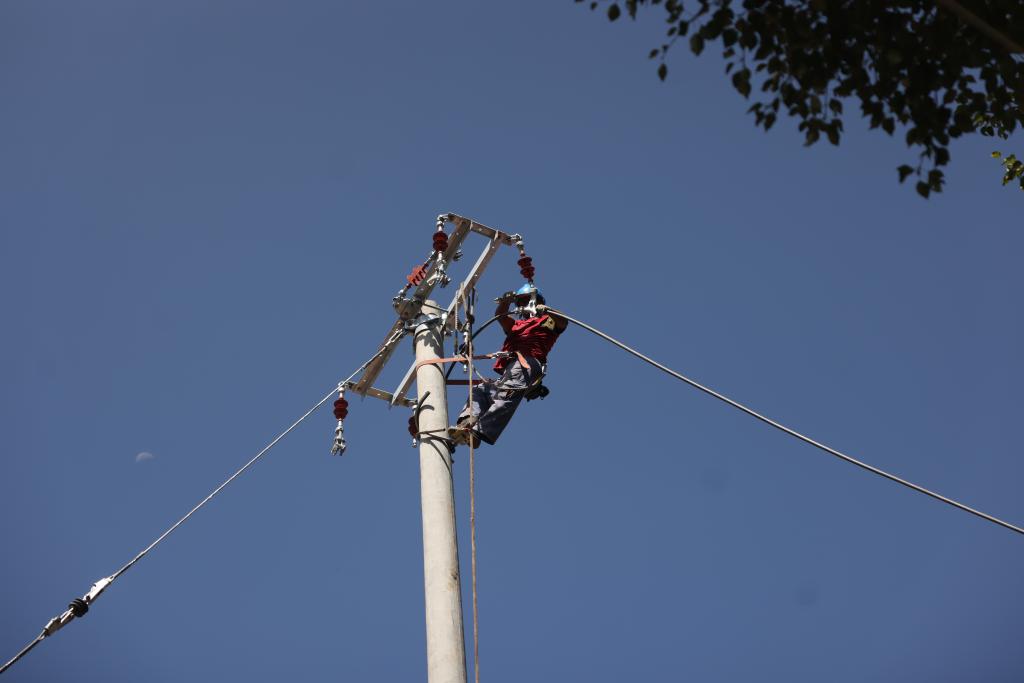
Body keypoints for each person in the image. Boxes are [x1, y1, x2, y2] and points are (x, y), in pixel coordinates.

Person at [450, 283, 567, 447]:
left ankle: (480, 431)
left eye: (525, 301)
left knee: (506, 395)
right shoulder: (516, 325)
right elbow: (500, 316)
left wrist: (546, 310)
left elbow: (563, 321)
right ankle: (467, 422)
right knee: (481, 390)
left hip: (527, 364)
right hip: (511, 369)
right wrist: (506, 301)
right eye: (520, 302)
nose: (522, 306)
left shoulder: (547, 321)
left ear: (536, 301)